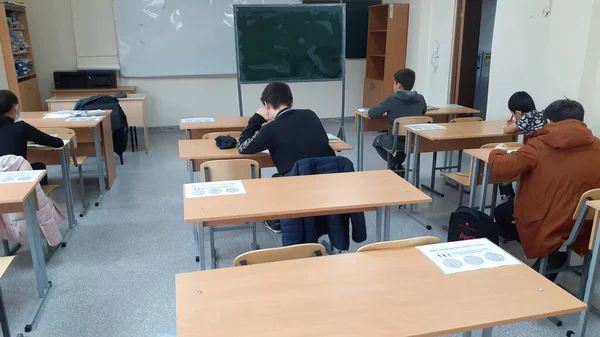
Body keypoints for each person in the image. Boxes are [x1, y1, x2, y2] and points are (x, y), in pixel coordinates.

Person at [489, 99, 600, 280]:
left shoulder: (539, 145)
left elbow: (502, 169)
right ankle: (552, 256)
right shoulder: (597, 145)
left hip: (546, 221)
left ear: (548, 122)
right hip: (586, 223)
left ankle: (548, 255)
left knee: (502, 213)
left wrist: (497, 151)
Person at [238, 82, 335, 233]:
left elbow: (242, 147)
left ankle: (277, 220)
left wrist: (256, 119)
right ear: (292, 102)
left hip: (295, 185)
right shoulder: (311, 114)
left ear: (267, 106)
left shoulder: (271, 129)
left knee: (275, 180)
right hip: (327, 182)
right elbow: (324, 141)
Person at [368, 68, 427, 176]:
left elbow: (372, 113)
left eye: (394, 83)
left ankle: (395, 164)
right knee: (403, 146)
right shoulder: (420, 99)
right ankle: (397, 166)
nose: (393, 86)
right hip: (414, 140)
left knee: (376, 142)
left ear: (399, 85)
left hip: (394, 141)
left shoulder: (391, 99)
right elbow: (423, 112)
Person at [0, 90, 63, 185]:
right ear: (15, 107)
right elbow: (57, 143)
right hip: (17, 179)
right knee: (39, 166)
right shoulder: (21, 127)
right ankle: (38, 198)